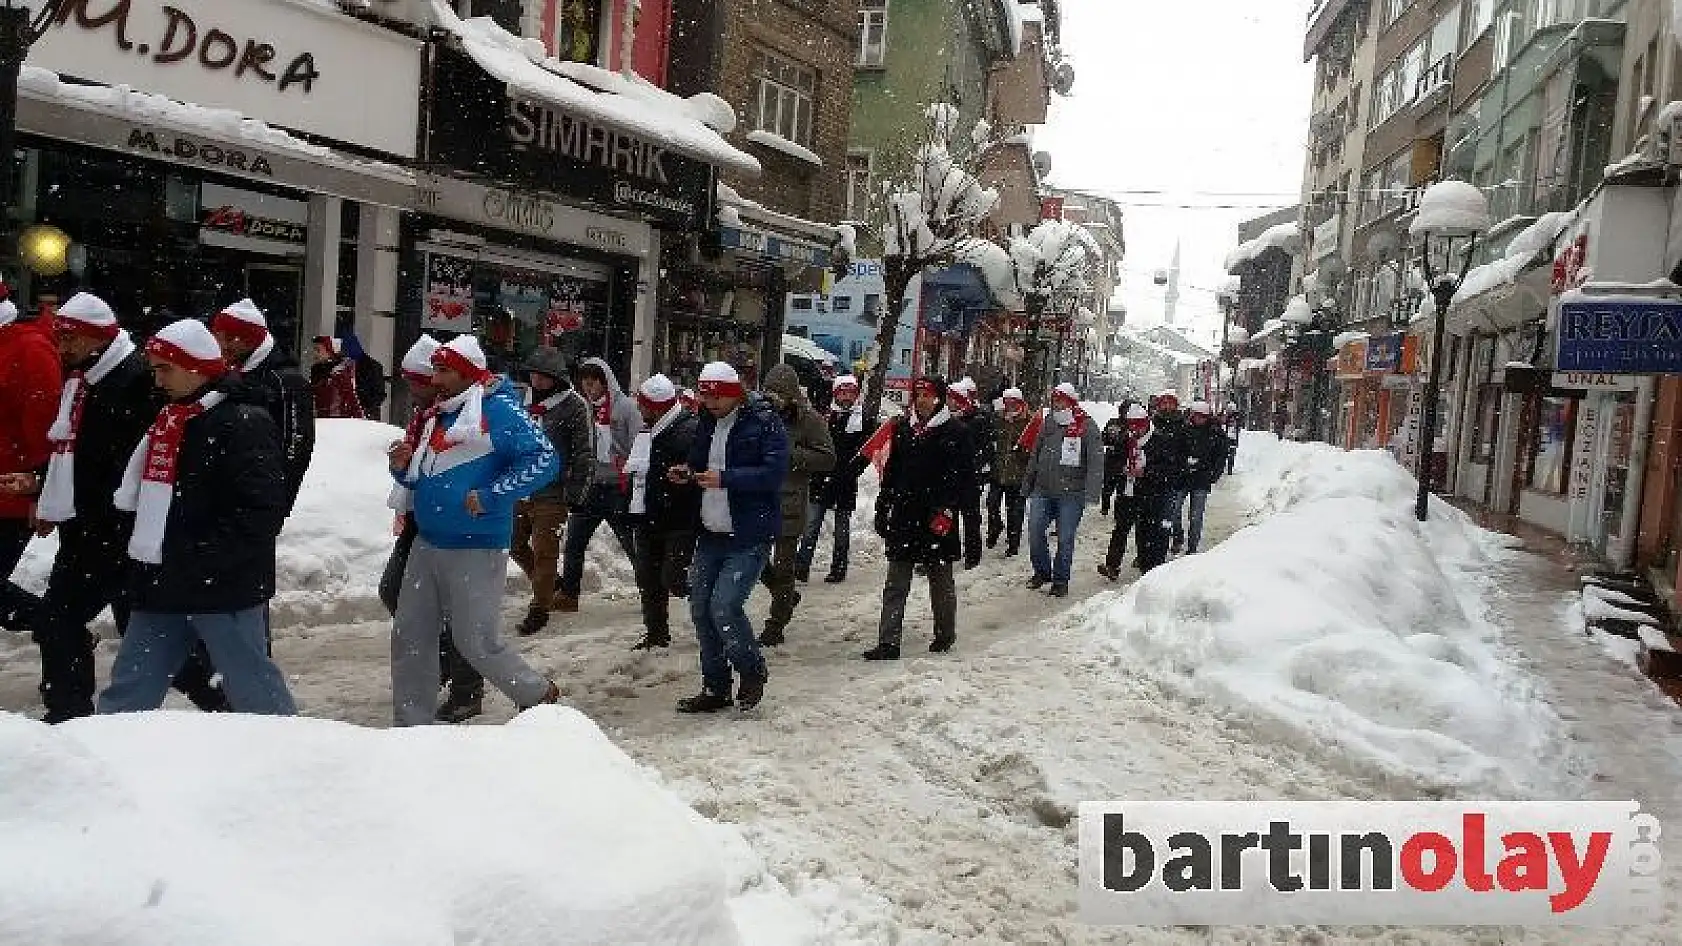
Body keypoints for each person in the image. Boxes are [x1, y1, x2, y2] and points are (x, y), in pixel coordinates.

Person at [15, 293, 225, 721]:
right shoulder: (82, 379)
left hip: (121, 533)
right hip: (89, 531)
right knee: (80, 625)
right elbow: (69, 451)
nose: (61, 344)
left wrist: (47, 486)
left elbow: (124, 464)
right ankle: (68, 716)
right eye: (59, 334)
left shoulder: (135, 382)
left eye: (69, 336)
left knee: (135, 631)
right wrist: (40, 481)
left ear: (96, 337)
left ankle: (222, 701)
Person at [97, 319, 296, 715]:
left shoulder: (244, 422)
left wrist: (203, 561)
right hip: (161, 582)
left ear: (195, 367)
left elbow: (259, 512)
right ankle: (107, 766)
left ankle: (289, 766)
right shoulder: (172, 418)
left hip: (223, 588)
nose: (156, 379)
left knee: (255, 695)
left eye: (163, 368)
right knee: (128, 694)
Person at [387, 335, 561, 726]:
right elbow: (424, 476)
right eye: (435, 369)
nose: (435, 379)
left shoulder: (498, 410)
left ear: (467, 373)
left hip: (476, 545)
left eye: (444, 370)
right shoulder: (442, 412)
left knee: (474, 640)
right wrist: (402, 466)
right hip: (427, 541)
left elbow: (545, 459)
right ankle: (411, 725)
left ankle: (536, 693)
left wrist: (493, 494)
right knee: (410, 635)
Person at [671, 362, 787, 714]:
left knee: (725, 606)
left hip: (748, 531)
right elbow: (700, 460)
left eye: (718, 397)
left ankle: (752, 669)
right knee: (701, 610)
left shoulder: (764, 421)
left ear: (735, 394)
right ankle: (715, 685)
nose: (711, 403)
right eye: (706, 397)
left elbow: (773, 473)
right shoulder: (706, 420)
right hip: (710, 530)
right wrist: (687, 472)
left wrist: (727, 478)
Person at [381, 335, 486, 723]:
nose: (412, 389)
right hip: (422, 521)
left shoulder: (463, 416)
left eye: (418, 381)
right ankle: (449, 671)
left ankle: (465, 687)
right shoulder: (427, 414)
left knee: (451, 611)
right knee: (400, 594)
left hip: (450, 527)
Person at [863, 376, 968, 660]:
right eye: (918, 393)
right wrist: (883, 506)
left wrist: (947, 510)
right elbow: (892, 473)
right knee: (896, 582)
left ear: (940, 398)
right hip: (905, 515)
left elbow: (962, 479)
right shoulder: (903, 429)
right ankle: (888, 642)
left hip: (936, 517)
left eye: (928, 394)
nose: (921, 399)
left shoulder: (955, 431)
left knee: (940, 581)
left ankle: (945, 634)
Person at [511, 345, 592, 636]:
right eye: (533, 375)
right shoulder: (521, 399)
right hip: (521, 487)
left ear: (557, 378)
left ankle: (539, 608)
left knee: (546, 551)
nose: (537, 381)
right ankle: (547, 584)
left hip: (553, 492)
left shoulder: (574, 405)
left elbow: (584, 452)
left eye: (544, 377)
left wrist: (577, 492)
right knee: (514, 543)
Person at [211, 298, 314, 514]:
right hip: (230, 496)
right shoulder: (234, 372)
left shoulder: (286, 381)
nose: (221, 346)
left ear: (249, 340)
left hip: (258, 504)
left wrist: (274, 503)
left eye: (227, 339)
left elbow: (295, 448)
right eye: (217, 338)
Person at [757, 363, 834, 647]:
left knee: (785, 566)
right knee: (754, 560)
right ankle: (785, 594)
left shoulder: (809, 420)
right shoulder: (760, 416)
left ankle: (775, 624)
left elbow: (827, 458)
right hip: (759, 500)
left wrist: (791, 454)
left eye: (778, 394)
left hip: (790, 503)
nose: (773, 399)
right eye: (768, 393)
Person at [555, 356, 640, 612]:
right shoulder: (584, 409)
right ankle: (569, 594)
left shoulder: (625, 407)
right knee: (574, 542)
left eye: (593, 384)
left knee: (631, 544)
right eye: (585, 385)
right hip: (590, 485)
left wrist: (625, 459)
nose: (589, 390)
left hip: (617, 487)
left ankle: (650, 590)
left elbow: (639, 443)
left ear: (605, 382)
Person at [0, 287, 58, 638]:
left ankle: (62, 635)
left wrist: (41, 488)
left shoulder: (28, 348)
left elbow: (45, 424)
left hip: (11, 492)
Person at [625, 374, 698, 651]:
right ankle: (656, 634)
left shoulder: (688, 430)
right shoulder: (648, 430)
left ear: (656, 407)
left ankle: (710, 606)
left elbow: (697, 473)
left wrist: (684, 478)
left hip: (678, 518)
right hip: (646, 513)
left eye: (643, 405)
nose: (639, 410)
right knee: (648, 579)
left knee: (674, 579)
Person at [1019, 382, 1103, 597]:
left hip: (1071, 493)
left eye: (1061, 400)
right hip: (1043, 488)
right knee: (1035, 530)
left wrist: (1092, 492)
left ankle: (1060, 580)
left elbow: (1095, 460)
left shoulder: (1087, 425)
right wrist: (1028, 482)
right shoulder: (1048, 422)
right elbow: (1036, 453)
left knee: (1065, 538)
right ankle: (1042, 571)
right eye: (1054, 400)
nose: (1056, 405)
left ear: (1071, 402)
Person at [795, 374, 868, 584]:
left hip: (845, 482)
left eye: (850, 393)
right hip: (820, 480)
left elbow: (866, 452)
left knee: (842, 531)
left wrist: (852, 471)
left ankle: (838, 568)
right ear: (836, 394)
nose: (846, 397)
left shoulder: (862, 419)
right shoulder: (823, 417)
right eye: (842, 393)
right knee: (811, 528)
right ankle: (801, 567)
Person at [1097, 405, 1155, 581]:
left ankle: (1146, 564)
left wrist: (1146, 472)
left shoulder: (1156, 440)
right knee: (1120, 529)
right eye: (1132, 426)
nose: (1135, 430)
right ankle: (1112, 565)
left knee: (1144, 530)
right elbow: (1111, 462)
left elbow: (1166, 466)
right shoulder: (1124, 440)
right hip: (1125, 491)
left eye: (1139, 426)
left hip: (1147, 493)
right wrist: (1121, 469)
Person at [945, 377, 994, 570]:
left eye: (953, 399)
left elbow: (985, 448)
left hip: (970, 477)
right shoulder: (946, 419)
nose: (949, 403)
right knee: (950, 515)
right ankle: (952, 550)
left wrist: (977, 468)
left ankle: (973, 555)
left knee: (971, 518)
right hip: (950, 475)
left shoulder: (978, 420)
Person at [1180, 401, 1228, 554]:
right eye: (1196, 416)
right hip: (1183, 477)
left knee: (1196, 516)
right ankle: (1177, 535)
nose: (1199, 419)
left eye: (1202, 416)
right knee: (1173, 511)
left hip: (1202, 479)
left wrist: (1213, 474)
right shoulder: (1184, 429)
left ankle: (1192, 548)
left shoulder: (1215, 433)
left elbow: (1221, 455)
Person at [987, 388, 1030, 557]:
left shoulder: (1028, 422)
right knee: (992, 505)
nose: (1010, 407)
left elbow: (1034, 448)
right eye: (1007, 404)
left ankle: (1013, 543)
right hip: (998, 473)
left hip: (1018, 476)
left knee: (1015, 511)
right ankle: (995, 527)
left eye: (1014, 404)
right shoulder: (998, 420)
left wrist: (1024, 452)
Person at [1150, 390, 1191, 554]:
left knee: (1170, 513)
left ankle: (1170, 541)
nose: (1167, 406)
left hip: (1175, 477)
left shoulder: (1183, 424)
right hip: (1153, 477)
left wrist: (1181, 468)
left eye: (1170, 403)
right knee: (1153, 515)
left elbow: (1187, 449)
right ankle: (1151, 546)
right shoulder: (1152, 423)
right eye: (1164, 403)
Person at [311, 335, 365, 419]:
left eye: (318, 350)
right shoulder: (316, 370)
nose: (315, 353)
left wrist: (359, 419)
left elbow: (351, 398)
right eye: (314, 349)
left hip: (336, 420)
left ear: (329, 352)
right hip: (319, 418)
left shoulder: (340, 373)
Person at [343, 331, 388, 421]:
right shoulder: (345, 366)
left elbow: (380, 394)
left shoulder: (373, 366)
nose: (345, 353)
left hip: (368, 412)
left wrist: (367, 408)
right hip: (350, 413)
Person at [1222, 401, 1242, 474]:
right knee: (1224, 454)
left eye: (1231, 409)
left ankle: (1229, 469)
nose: (1229, 411)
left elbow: (1238, 427)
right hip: (1227, 438)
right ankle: (1224, 467)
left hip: (1232, 438)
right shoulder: (1226, 416)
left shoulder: (1236, 417)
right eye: (1229, 409)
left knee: (1231, 455)